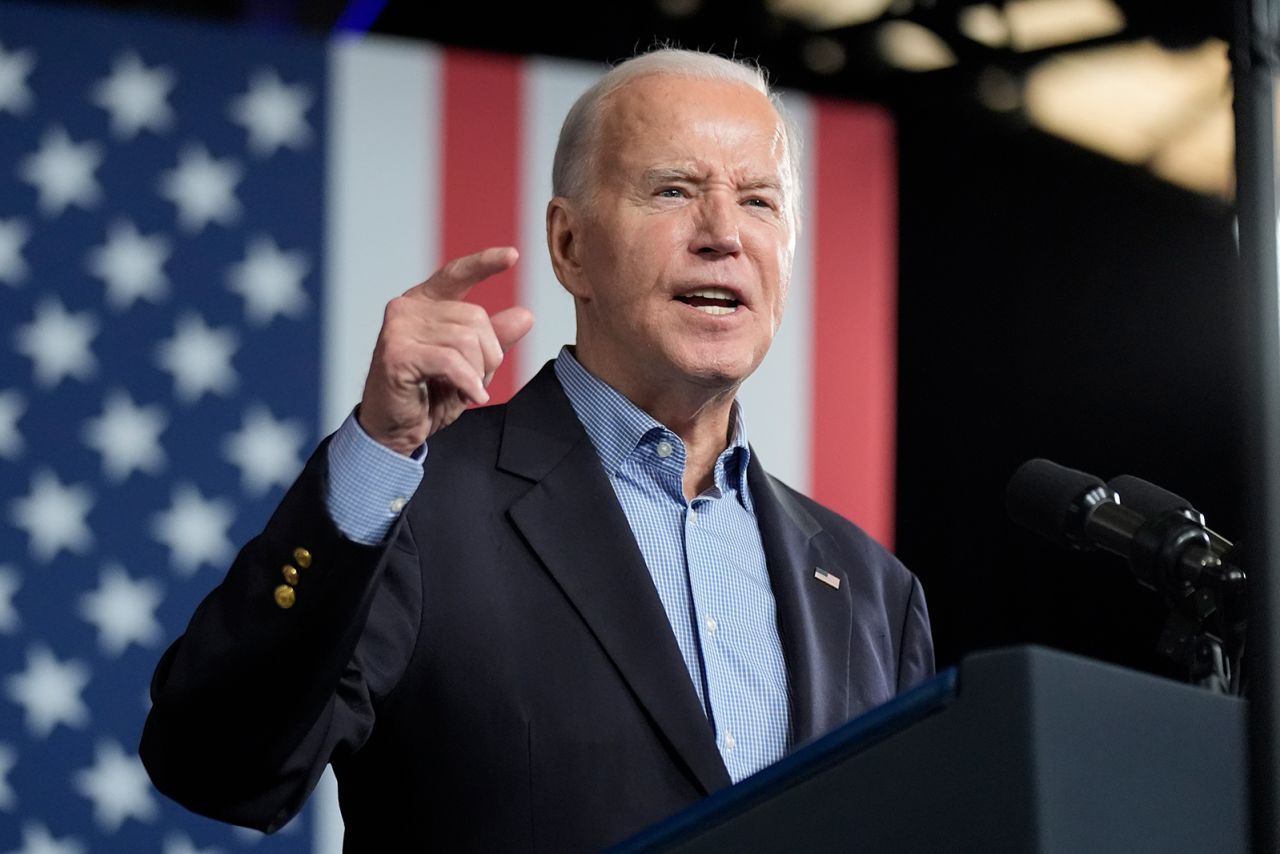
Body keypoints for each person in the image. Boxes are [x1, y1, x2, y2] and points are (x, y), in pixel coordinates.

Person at [140, 47, 934, 852]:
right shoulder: (417, 508)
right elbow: (217, 765)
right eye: (673, 190)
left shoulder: (875, 594)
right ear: (569, 246)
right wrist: (378, 449)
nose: (723, 234)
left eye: (760, 201)